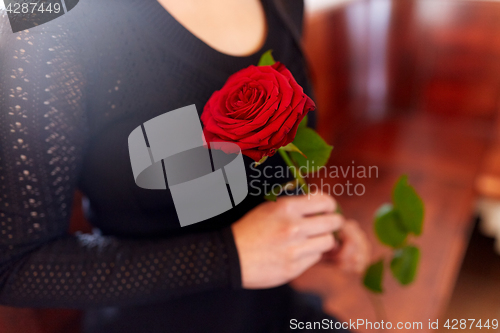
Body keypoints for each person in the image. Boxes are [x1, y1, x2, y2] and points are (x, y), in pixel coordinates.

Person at [0, 0, 369, 331]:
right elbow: (14, 267)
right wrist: (229, 255)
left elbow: (258, 161)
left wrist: (310, 229)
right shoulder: (41, 20)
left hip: (272, 309)